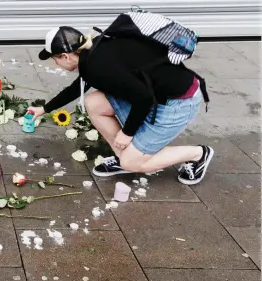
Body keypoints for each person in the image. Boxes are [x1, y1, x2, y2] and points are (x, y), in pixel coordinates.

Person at [28, 26, 213, 185]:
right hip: (156, 95)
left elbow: (144, 98)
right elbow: (77, 87)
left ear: (65, 56)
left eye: (55, 59)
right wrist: (44, 109)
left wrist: (127, 133)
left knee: (131, 163)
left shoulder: (98, 67)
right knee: (93, 102)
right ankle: (124, 157)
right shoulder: (94, 50)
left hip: (177, 104)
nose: (56, 64)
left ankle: (198, 154)